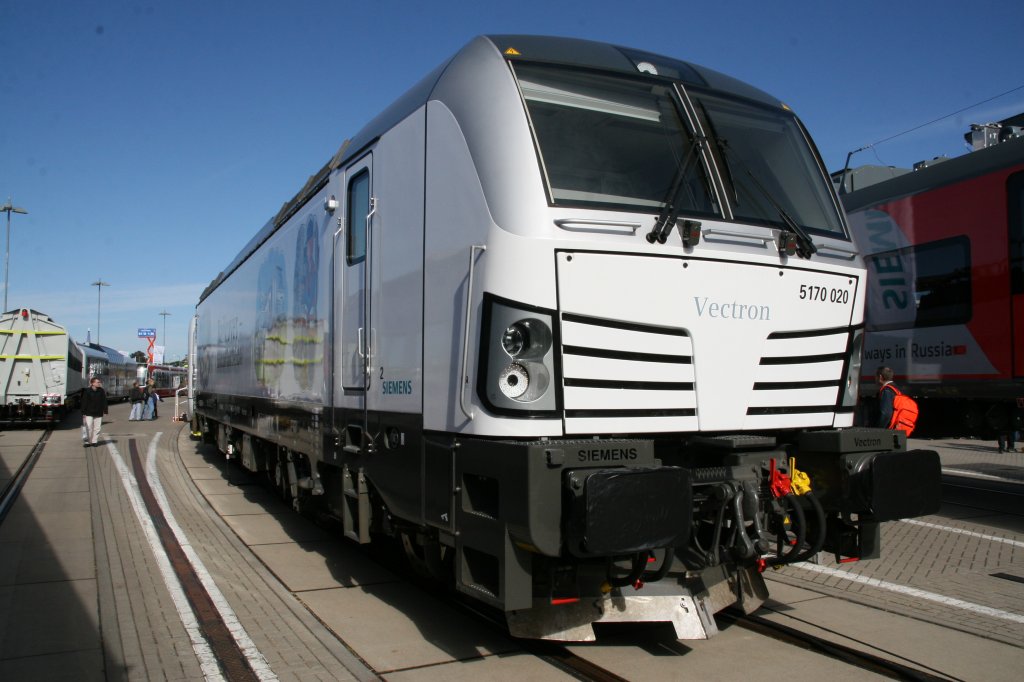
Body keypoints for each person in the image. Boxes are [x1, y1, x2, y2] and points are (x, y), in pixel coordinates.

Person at [81, 377, 108, 447]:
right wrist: (83, 412)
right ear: (92, 383)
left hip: (98, 412)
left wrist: (105, 410)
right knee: (88, 427)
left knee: (97, 428)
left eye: (99, 382)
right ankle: (87, 442)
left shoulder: (101, 391)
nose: (99, 383)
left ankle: (94, 441)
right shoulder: (87, 391)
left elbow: (104, 401)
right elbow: (84, 402)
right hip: (88, 412)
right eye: (97, 382)